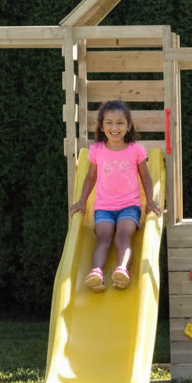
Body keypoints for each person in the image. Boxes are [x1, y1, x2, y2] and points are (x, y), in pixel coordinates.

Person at [71, 99, 161, 291]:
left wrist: (150, 201)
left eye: (120, 122)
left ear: (128, 126)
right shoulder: (96, 150)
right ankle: (96, 272)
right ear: (101, 126)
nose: (114, 127)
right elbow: (91, 177)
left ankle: (122, 270)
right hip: (104, 207)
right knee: (103, 237)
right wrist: (82, 201)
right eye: (109, 123)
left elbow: (145, 177)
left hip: (129, 206)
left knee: (123, 236)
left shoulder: (136, 150)